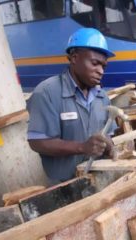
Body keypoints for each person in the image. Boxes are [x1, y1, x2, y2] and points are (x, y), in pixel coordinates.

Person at [27, 28, 117, 183]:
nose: (101, 71)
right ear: (74, 58)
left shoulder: (102, 97)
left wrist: (109, 144)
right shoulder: (47, 92)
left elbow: (108, 133)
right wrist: (82, 147)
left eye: (104, 66)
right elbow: (37, 142)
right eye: (95, 63)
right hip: (63, 185)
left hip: (96, 181)